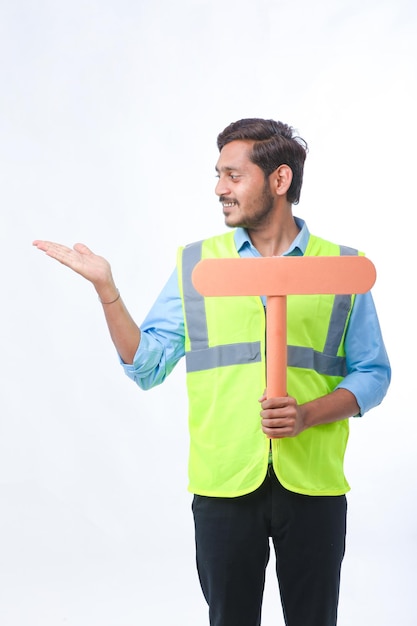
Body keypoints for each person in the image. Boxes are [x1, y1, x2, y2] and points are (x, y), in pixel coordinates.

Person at [33, 117, 391, 626]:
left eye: (233, 175)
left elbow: (373, 372)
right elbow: (148, 366)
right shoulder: (197, 265)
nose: (220, 189)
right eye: (217, 175)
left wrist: (309, 414)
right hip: (223, 483)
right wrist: (107, 291)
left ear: (279, 180)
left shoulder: (342, 266)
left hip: (314, 485)